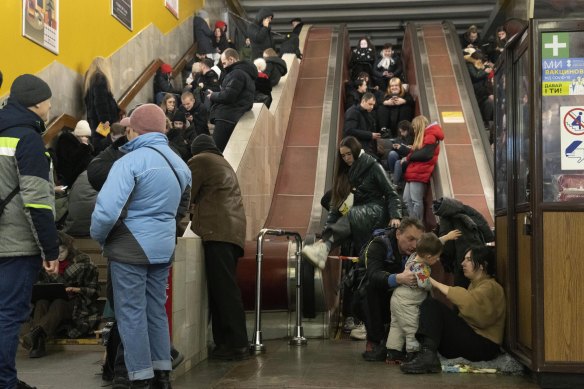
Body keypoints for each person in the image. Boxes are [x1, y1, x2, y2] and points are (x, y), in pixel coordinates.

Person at [90, 104, 192, 388]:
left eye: (130, 129)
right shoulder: (179, 163)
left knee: (131, 312)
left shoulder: (129, 162)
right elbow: (182, 207)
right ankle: (162, 373)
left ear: (135, 130)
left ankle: (140, 377)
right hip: (162, 247)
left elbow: (107, 211)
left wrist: (100, 237)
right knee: (155, 310)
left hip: (130, 246)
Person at [0, 74, 59, 389]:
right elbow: (36, 201)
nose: (51, 106)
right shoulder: (28, 138)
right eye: (49, 100)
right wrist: (50, 250)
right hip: (15, 244)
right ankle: (5, 381)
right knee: (9, 315)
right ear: (37, 103)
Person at [188, 134, 249, 360]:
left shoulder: (200, 160)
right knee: (222, 289)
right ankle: (225, 342)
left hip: (218, 230)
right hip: (231, 231)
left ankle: (237, 343)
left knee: (224, 290)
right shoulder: (223, 163)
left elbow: (186, 193)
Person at [302, 136, 402, 270]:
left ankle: (324, 248)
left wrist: (395, 215)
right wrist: (326, 234)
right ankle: (324, 246)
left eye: (349, 154)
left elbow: (391, 192)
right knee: (344, 209)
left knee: (352, 213)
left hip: (377, 210)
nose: (346, 158)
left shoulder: (373, 166)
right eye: (343, 156)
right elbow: (335, 207)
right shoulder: (344, 174)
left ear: (356, 151)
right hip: (357, 212)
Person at [401, 246, 505, 374]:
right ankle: (426, 353)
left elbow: (471, 304)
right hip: (474, 342)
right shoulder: (475, 284)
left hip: (484, 346)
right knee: (430, 306)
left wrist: (434, 282)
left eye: (468, 260)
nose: (463, 263)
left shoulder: (491, 286)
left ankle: (428, 356)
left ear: (482, 265)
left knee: (432, 305)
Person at [20, 232, 100, 359]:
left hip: (77, 304)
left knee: (59, 302)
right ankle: (38, 341)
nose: (59, 255)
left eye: (62, 251)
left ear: (69, 248)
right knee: (41, 302)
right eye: (55, 252)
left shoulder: (83, 262)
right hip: (50, 302)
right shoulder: (46, 263)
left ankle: (34, 335)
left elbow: (95, 291)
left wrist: (76, 289)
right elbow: (38, 285)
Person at [385, 231, 460, 363]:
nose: (437, 260)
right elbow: (425, 285)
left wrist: (446, 238)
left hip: (397, 298)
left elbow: (432, 245)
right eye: (436, 258)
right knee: (412, 327)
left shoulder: (415, 255)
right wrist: (431, 281)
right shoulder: (420, 268)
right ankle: (413, 354)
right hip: (407, 302)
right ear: (428, 256)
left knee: (397, 326)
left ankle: (393, 352)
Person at [359, 218, 424, 361]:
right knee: (370, 290)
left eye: (417, 241)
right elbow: (373, 275)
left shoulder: (417, 251)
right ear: (398, 234)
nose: (414, 245)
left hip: (402, 297)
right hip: (376, 293)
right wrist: (398, 278)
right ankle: (376, 341)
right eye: (410, 239)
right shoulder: (379, 244)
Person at [432, 197, 494, 287]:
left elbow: (448, 249)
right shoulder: (467, 210)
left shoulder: (446, 220)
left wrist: (448, 264)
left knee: (463, 289)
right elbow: (484, 226)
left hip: (461, 260)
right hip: (478, 255)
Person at [207, 48, 256, 151]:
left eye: (224, 63)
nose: (224, 67)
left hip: (227, 117)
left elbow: (228, 96)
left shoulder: (237, 73)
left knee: (216, 151)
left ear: (232, 59)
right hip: (232, 115)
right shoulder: (245, 73)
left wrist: (213, 96)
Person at [402, 115, 444, 222]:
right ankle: (413, 222)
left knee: (416, 201)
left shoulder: (430, 136)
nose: (414, 131)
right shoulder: (423, 137)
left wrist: (408, 158)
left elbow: (425, 154)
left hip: (420, 173)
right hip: (414, 172)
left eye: (415, 128)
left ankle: (416, 224)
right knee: (406, 199)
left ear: (420, 126)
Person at [83, 57, 121, 145]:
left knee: (98, 149)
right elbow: (100, 103)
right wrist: (105, 121)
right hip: (103, 126)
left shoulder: (90, 82)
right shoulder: (100, 79)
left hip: (94, 126)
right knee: (106, 148)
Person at [343, 92, 380, 157]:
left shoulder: (367, 113)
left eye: (373, 105)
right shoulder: (353, 112)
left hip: (366, 148)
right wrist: (370, 135)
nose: (372, 107)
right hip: (358, 149)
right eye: (370, 104)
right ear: (363, 101)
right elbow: (349, 130)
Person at [386, 120, 414, 188]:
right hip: (400, 157)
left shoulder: (414, 138)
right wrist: (395, 147)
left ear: (408, 130)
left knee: (398, 162)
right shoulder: (400, 138)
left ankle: (395, 184)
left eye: (403, 131)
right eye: (400, 131)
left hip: (408, 160)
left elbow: (412, 152)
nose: (401, 133)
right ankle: (393, 174)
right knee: (392, 153)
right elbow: (395, 148)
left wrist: (401, 148)